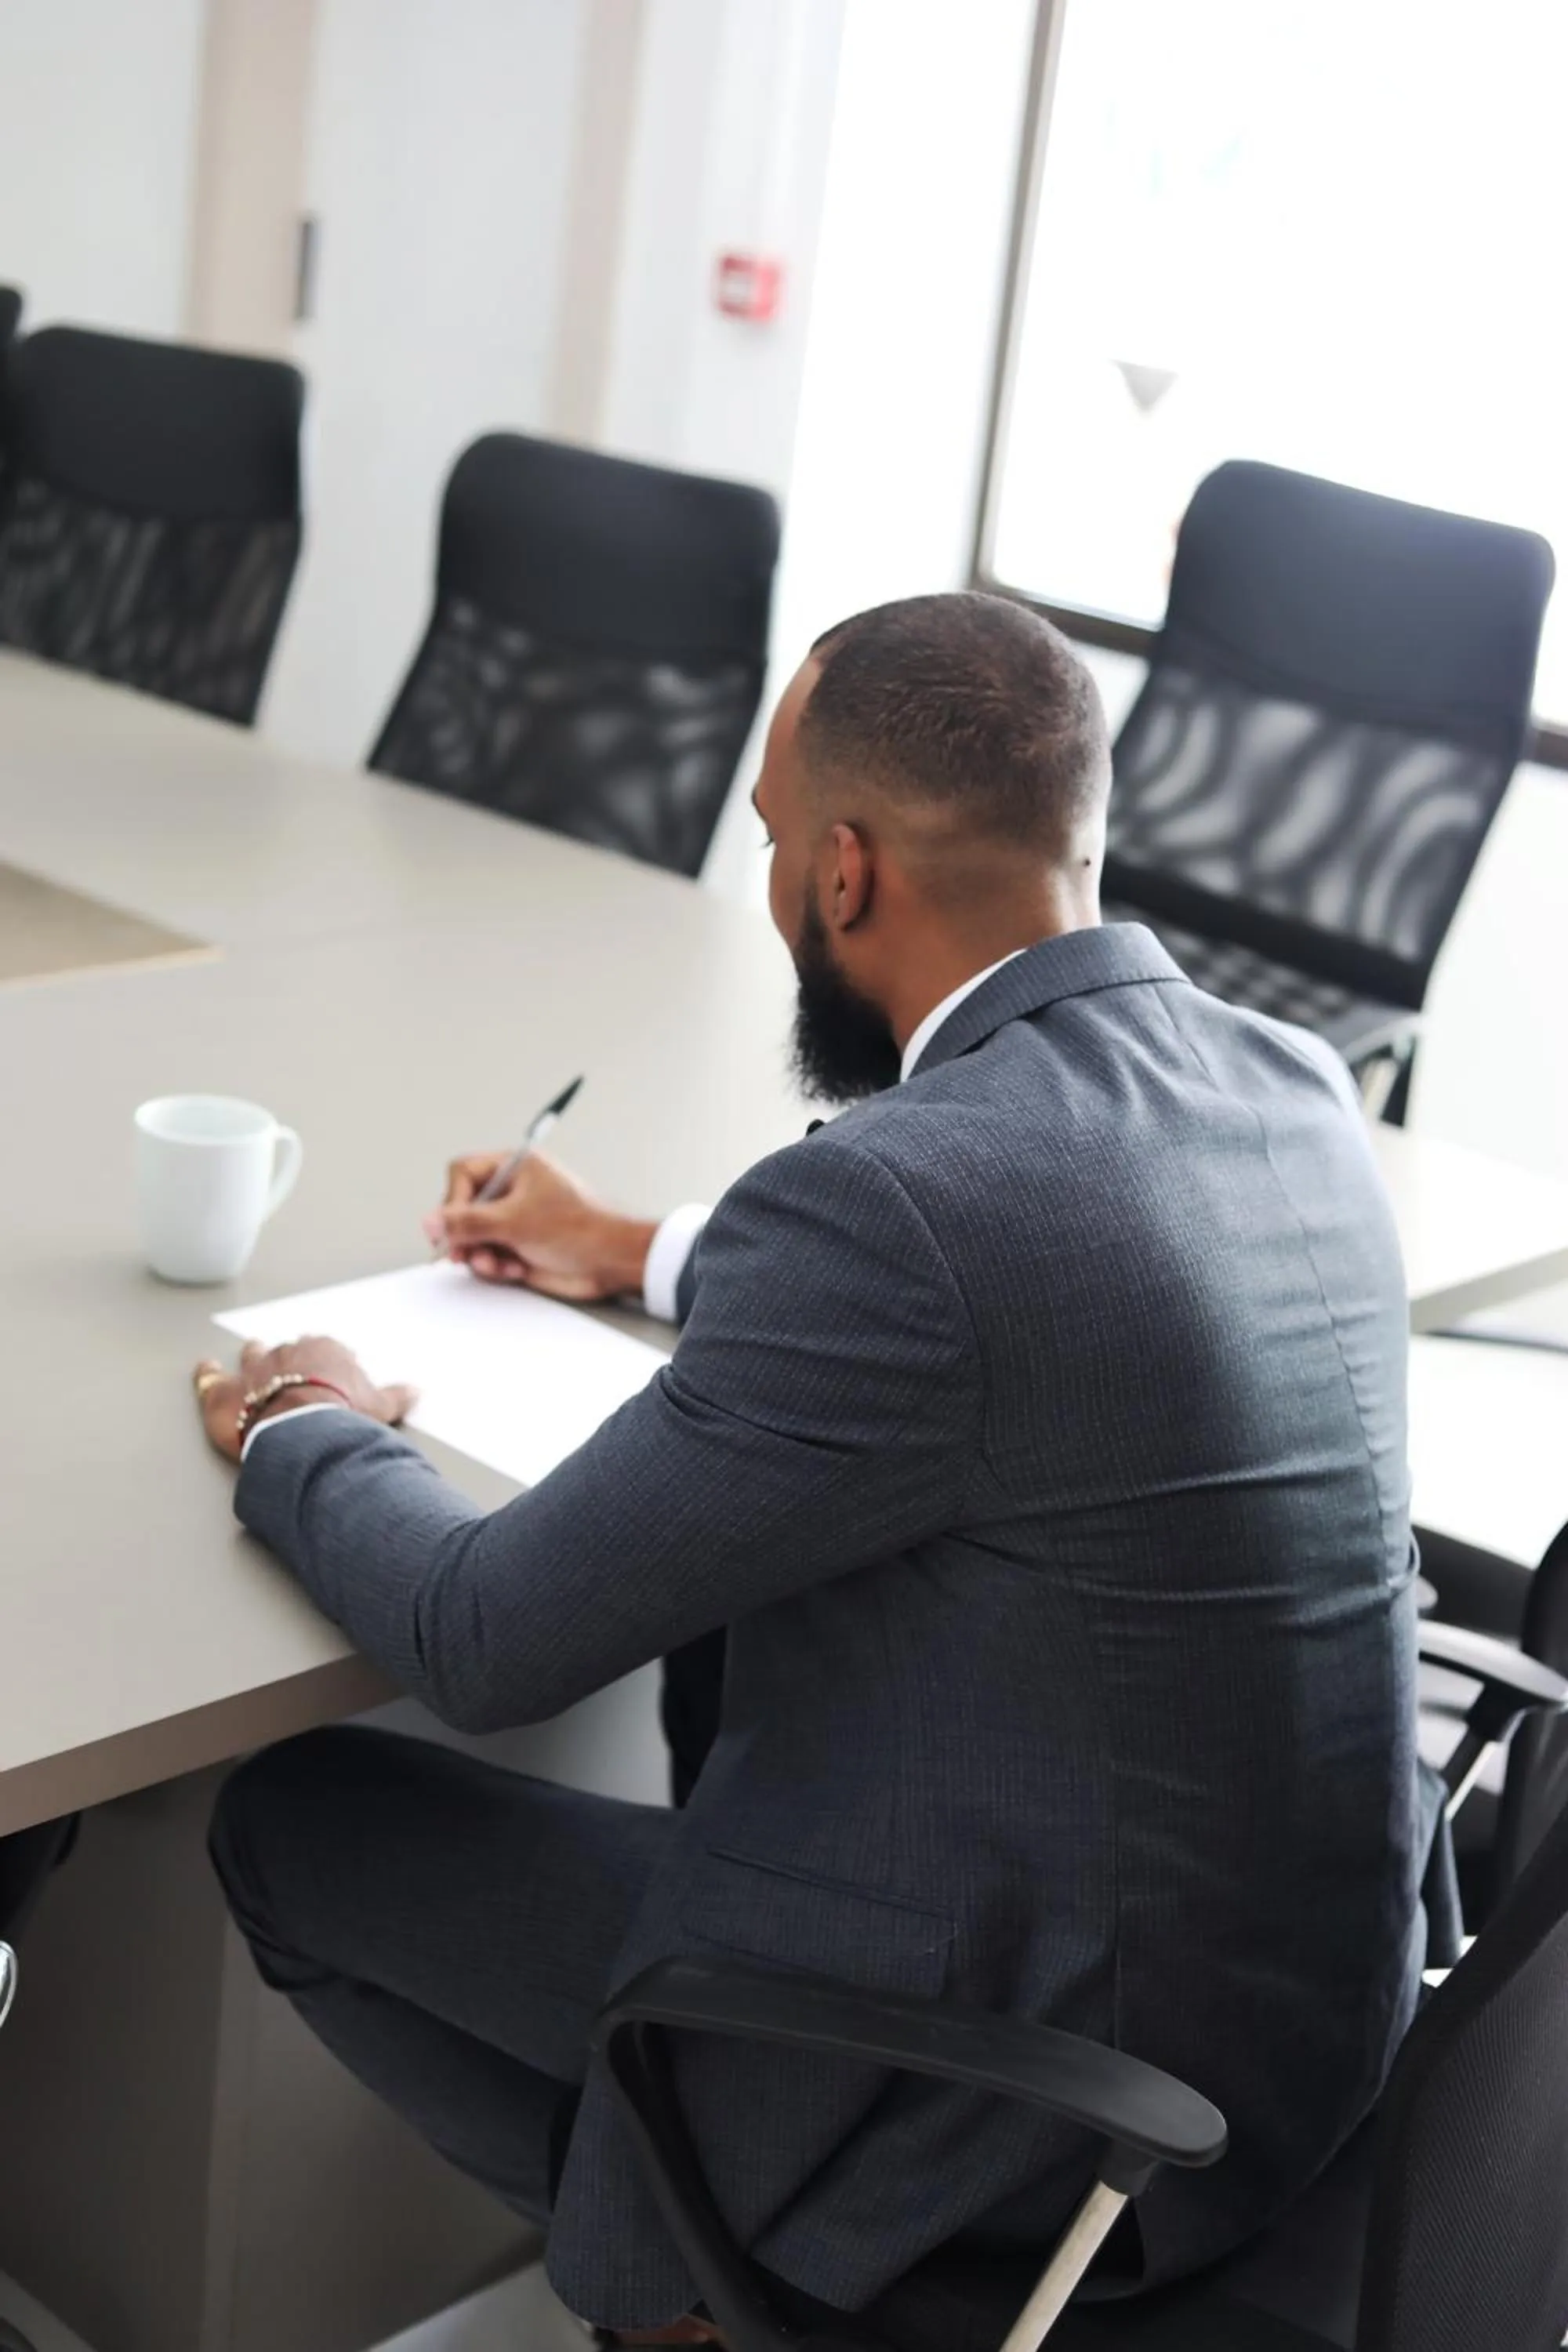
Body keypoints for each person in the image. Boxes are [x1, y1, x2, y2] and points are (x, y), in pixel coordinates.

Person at [195, 593, 1430, 2351]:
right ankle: (707, 2254)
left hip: (1031, 2124)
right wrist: (643, 1247)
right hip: (1304, 2076)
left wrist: (307, 1424)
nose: (776, 884)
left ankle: (706, 2296)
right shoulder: (1290, 1085)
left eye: (772, 843)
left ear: (843, 875)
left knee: (296, 1821)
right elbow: (1055, 1312)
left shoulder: (907, 1208)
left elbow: (483, 1639)